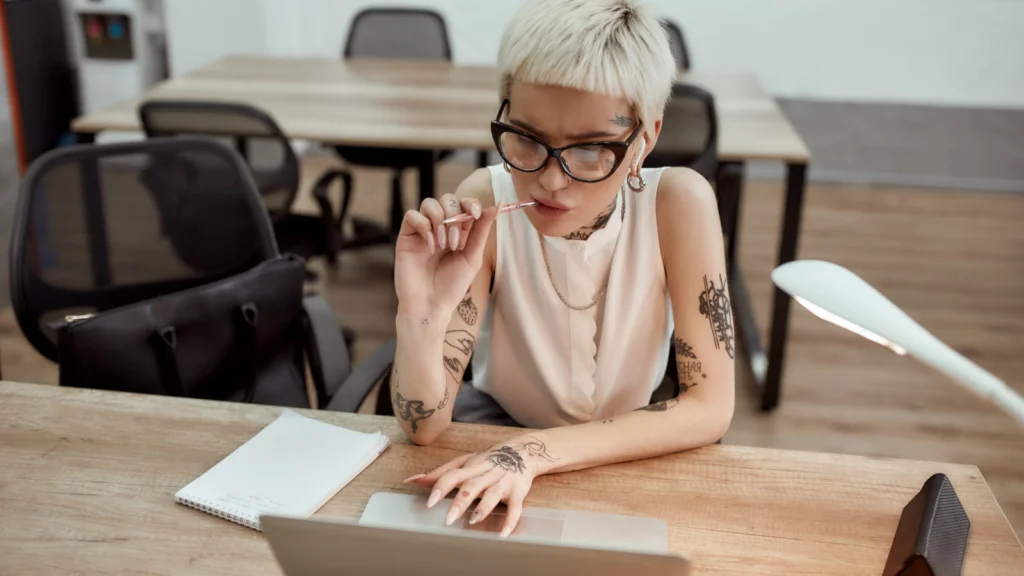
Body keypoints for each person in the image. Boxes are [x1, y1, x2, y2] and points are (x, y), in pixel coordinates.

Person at [390, 0, 735, 538]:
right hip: (492, 434)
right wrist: (420, 316)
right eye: (527, 139)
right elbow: (424, 428)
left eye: (592, 149)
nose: (551, 180)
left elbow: (710, 408)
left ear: (645, 140)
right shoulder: (486, 199)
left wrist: (531, 452)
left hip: (624, 447)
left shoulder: (678, 203)